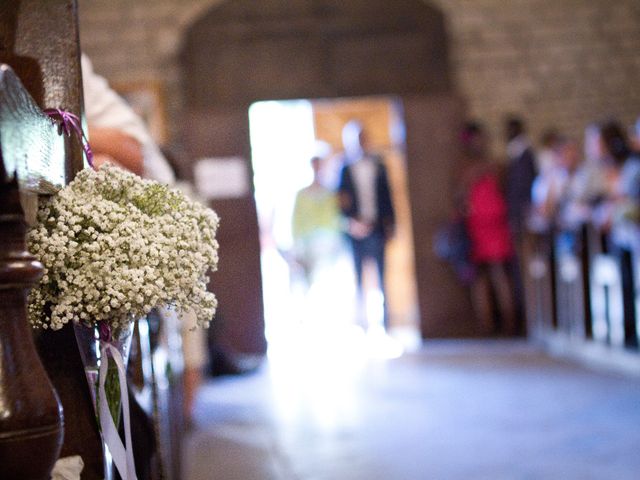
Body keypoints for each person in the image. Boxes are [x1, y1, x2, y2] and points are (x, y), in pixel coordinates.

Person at [458, 122, 516, 335]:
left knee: (500, 272)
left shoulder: (495, 165)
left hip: (495, 223)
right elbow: (461, 196)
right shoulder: (465, 167)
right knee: (480, 276)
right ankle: (486, 322)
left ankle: (509, 320)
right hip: (477, 225)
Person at [337, 120, 395, 330]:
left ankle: (385, 322)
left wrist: (391, 226)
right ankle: (362, 322)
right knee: (358, 276)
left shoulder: (379, 165)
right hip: (355, 230)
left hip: (377, 226)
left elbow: (388, 198)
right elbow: (340, 201)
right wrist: (351, 222)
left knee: (382, 275)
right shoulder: (344, 168)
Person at [291, 156, 342, 288]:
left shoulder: (331, 194)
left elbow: (337, 218)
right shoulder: (302, 195)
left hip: (328, 244)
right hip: (308, 245)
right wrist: (297, 246)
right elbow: (296, 222)